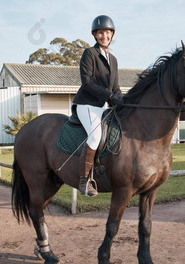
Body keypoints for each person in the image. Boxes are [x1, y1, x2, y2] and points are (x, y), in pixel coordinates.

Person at [72, 15, 123, 196]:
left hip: (103, 107)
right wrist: (110, 95)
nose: (104, 36)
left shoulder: (114, 59)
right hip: (87, 104)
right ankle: (84, 182)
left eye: (107, 33)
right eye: (100, 33)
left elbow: (115, 87)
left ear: (111, 35)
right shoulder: (89, 54)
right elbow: (87, 83)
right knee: (95, 137)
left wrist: (122, 100)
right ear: (95, 35)